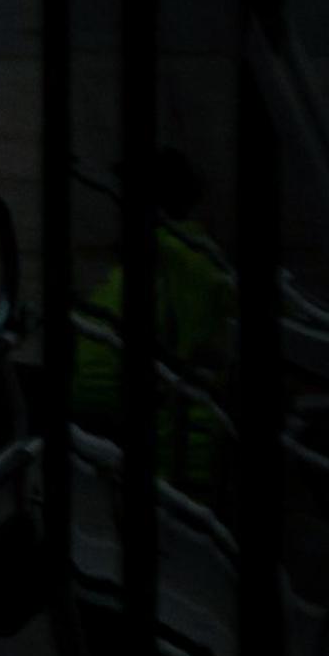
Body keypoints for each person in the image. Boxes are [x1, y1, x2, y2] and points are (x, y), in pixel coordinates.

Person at [69, 146, 235, 495]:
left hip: (160, 465)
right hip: (199, 459)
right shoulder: (205, 263)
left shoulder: (155, 266)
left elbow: (93, 379)